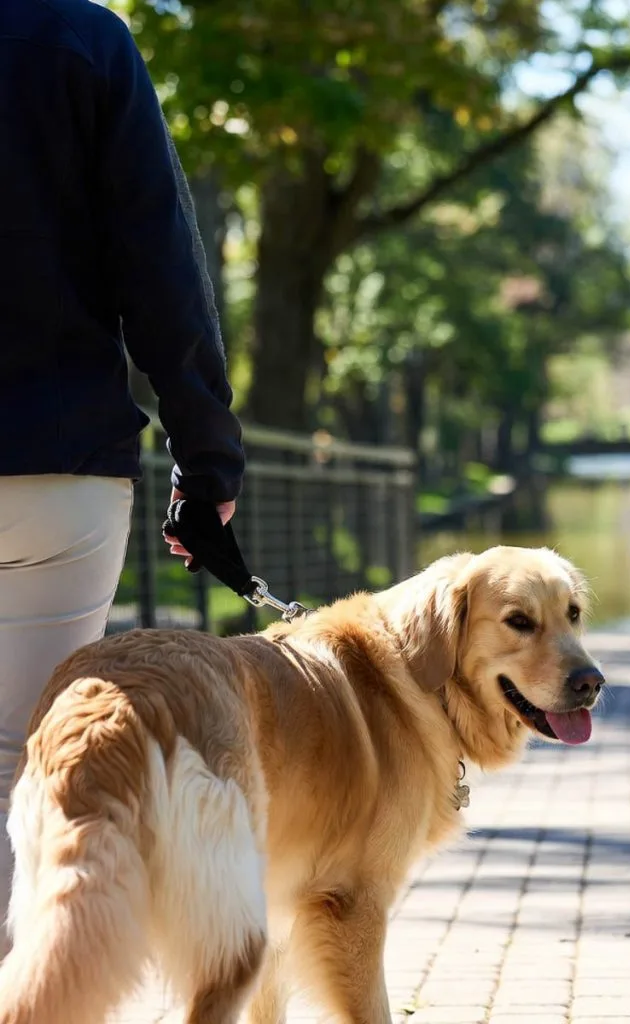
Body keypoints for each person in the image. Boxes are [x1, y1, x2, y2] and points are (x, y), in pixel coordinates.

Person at [0, 0, 245, 934]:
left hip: (69, 468)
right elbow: (160, 264)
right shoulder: (82, 38)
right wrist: (206, 455)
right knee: (30, 766)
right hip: (62, 471)